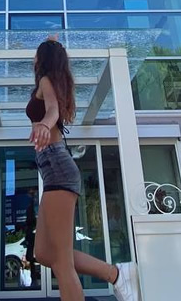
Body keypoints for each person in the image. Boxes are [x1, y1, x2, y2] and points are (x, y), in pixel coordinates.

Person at [26, 38, 139, 301]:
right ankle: (116, 274)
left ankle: (117, 275)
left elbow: (52, 110)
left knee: (62, 263)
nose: (33, 59)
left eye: (36, 55)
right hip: (53, 170)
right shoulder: (50, 83)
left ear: (43, 59)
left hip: (57, 169)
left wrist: (43, 124)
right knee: (44, 253)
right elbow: (52, 107)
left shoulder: (45, 81)